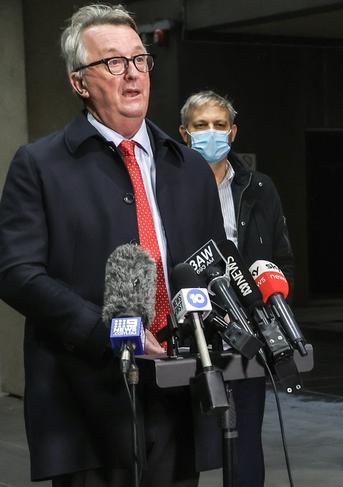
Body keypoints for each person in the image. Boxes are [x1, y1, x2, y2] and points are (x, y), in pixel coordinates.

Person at [0, 5, 225, 486]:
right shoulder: (39, 166)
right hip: (87, 397)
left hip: (178, 387)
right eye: (113, 63)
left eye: (140, 59)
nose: (132, 75)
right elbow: (16, 272)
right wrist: (106, 329)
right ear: (79, 82)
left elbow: (213, 265)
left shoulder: (188, 169)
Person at [179, 90, 295, 487]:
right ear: (183, 133)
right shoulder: (167, 187)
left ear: (233, 133)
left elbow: (281, 260)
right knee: (183, 448)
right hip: (188, 331)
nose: (210, 133)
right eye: (200, 125)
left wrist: (271, 308)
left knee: (245, 443)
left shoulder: (260, 189)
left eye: (219, 125)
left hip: (248, 334)